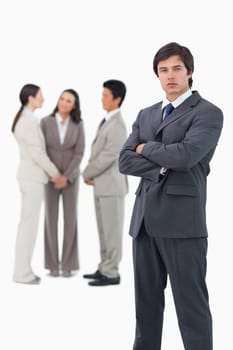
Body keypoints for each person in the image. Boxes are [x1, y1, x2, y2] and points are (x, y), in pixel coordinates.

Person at [119, 42, 223, 350]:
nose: (170, 76)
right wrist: (160, 167)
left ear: (190, 72)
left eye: (176, 69)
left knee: (191, 308)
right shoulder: (146, 113)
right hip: (144, 224)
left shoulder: (208, 113)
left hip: (182, 225)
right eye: (163, 70)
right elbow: (124, 160)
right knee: (146, 307)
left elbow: (187, 155)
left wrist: (146, 148)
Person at [12, 84, 60, 284]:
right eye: (40, 96)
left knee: (27, 226)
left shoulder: (28, 119)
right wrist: (55, 173)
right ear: (30, 98)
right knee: (28, 227)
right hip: (32, 178)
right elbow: (37, 154)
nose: (43, 99)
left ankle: (23, 271)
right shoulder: (27, 122)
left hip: (30, 177)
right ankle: (21, 274)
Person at [82, 79, 128, 286]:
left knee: (112, 232)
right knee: (103, 230)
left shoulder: (118, 124)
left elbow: (108, 155)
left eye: (105, 95)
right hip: (102, 184)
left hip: (112, 186)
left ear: (117, 99)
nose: (102, 99)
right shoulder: (107, 120)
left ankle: (112, 273)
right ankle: (104, 267)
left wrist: (86, 172)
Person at [40, 89, 85, 277]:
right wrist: (53, 175)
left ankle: (68, 263)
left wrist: (66, 176)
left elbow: (79, 152)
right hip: (49, 178)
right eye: (62, 99)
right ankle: (52, 264)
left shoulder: (78, 123)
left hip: (71, 178)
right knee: (50, 219)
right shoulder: (45, 122)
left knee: (70, 219)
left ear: (74, 105)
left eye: (69, 101)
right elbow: (41, 151)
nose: (64, 103)